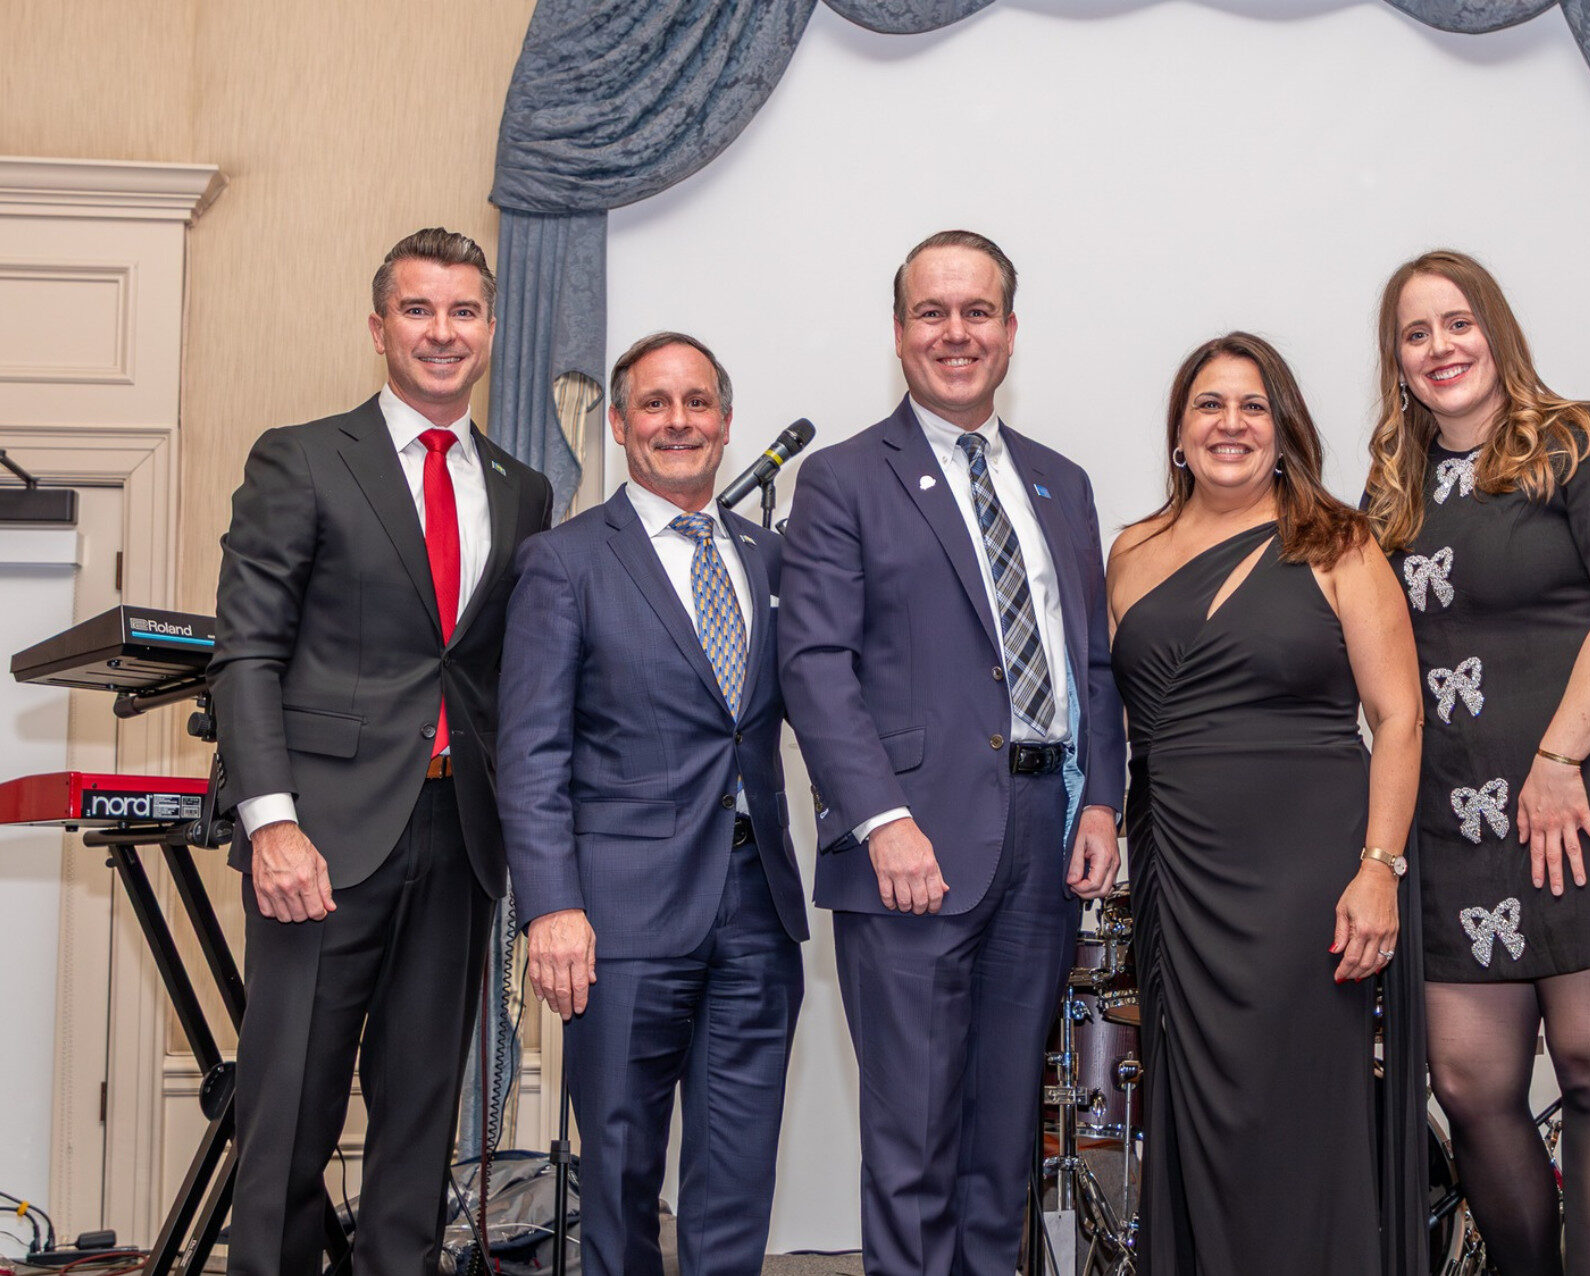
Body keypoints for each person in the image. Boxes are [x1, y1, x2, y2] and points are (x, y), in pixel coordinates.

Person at [1365, 249, 1590, 1276]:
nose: (1441, 347)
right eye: (1416, 332)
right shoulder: (1391, 489)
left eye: (1458, 322)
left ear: (1497, 330)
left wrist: (1560, 754)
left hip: (1588, 795)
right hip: (1455, 820)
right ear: (1395, 362)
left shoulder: (1583, 441)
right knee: (1471, 1081)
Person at [779, 229, 1127, 1276]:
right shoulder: (842, 480)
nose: (956, 332)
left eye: (978, 312)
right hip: (912, 846)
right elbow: (813, 666)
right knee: (913, 1146)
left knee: (1003, 1146)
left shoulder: (1060, 483)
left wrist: (1102, 802)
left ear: (1011, 332)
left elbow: (1091, 666)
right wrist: (884, 820)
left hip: (1041, 844)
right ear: (899, 333)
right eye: (933, 312)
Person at [209, 228, 553, 1275]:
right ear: (378, 327)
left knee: (419, 1126)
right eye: (418, 310)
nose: (441, 333)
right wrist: (272, 824)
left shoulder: (522, 488)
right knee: (288, 1125)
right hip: (319, 843)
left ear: (490, 331)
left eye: (462, 313)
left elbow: (498, 674)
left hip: (460, 840)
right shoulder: (304, 457)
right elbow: (246, 652)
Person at [1105, 331, 1427, 1274]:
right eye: (1210, 404)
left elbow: (1399, 718)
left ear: (1284, 431)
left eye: (1253, 406)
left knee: (1292, 1115)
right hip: (1177, 874)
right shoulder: (1129, 552)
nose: (1231, 424)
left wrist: (1379, 871)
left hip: (1305, 878)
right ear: (1178, 432)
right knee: (1194, 1109)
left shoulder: (1339, 542)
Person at [496, 332, 808, 1276]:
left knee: (737, 1178)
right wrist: (551, 905)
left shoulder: (772, 558)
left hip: (759, 912)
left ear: (724, 421)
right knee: (623, 1183)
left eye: (699, 403)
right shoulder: (565, 561)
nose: (681, 422)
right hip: (620, 924)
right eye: (657, 405)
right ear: (623, 425)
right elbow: (531, 749)